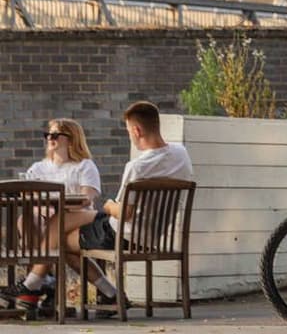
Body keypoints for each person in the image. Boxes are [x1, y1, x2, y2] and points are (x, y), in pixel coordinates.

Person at [67, 101, 194, 306]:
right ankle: (107, 296)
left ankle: (110, 293)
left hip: (122, 237)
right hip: (154, 236)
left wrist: (108, 205)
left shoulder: (137, 167)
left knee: (63, 243)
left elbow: (124, 212)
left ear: (136, 130)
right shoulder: (181, 155)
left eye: (128, 131)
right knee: (89, 223)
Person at [2, 119, 102, 311]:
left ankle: (34, 284)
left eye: (56, 135)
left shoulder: (84, 166)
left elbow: (86, 200)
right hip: (47, 221)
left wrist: (52, 204)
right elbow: (27, 196)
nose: (50, 138)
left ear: (71, 139)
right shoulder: (39, 168)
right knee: (26, 219)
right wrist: (43, 207)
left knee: (62, 240)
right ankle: (44, 279)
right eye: (48, 134)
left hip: (78, 220)